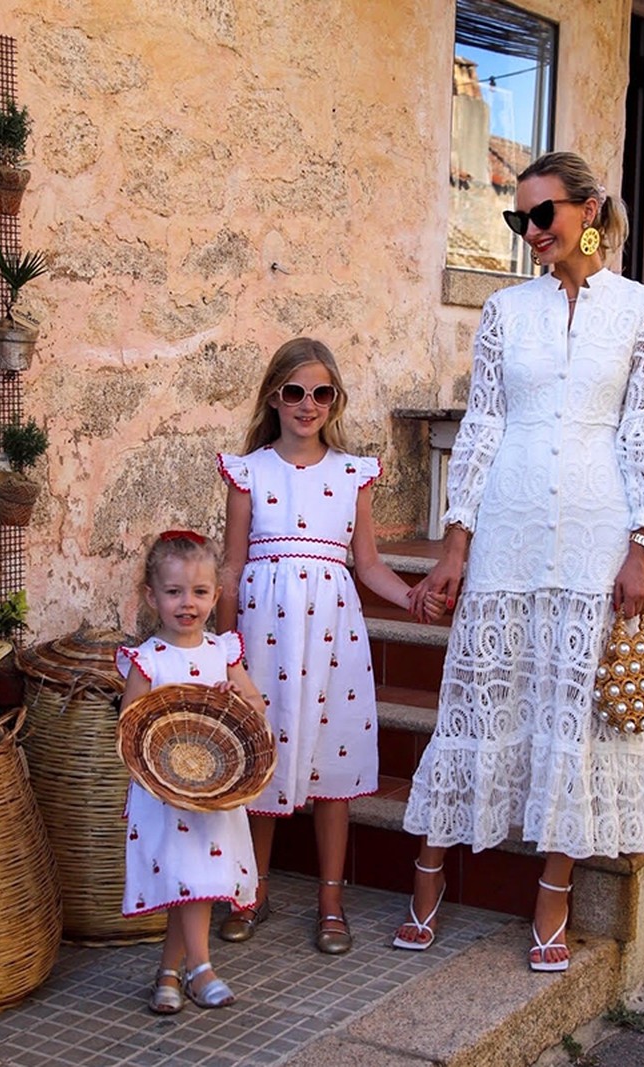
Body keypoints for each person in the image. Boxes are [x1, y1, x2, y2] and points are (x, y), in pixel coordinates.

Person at [393, 151, 644, 972]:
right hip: (509, 524)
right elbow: (482, 425)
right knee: (477, 702)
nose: (530, 232)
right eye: (519, 219)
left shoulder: (643, 309)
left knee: (572, 710)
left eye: (541, 214)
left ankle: (553, 892)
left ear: (587, 211)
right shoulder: (505, 311)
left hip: (596, 527)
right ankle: (428, 871)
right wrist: (456, 542)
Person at [216, 337, 443, 955]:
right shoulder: (249, 472)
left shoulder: (351, 474)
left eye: (321, 393)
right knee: (260, 760)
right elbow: (232, 568)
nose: (307, 404)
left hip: (331, 638)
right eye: (294, 391)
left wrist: (411, 598)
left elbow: (367, 565)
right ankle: (252, 892)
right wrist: (227, 652)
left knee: (332, 765)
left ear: (334, 400)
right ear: (274, 397)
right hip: (263, 637)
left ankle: (331, 901)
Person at [117, 530, 266, 1013]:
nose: (188, 603)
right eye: (174, 592)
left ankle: (171, 972)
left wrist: (235, 696)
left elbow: (256, 706)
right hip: (163, 793)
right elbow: (131, 724)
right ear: (151, 597)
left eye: (200, 592)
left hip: (214, 789)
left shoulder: (222, 651)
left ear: (216, 595)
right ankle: (201, 970)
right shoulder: (147, 659)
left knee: (195, 879)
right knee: (186, 879)